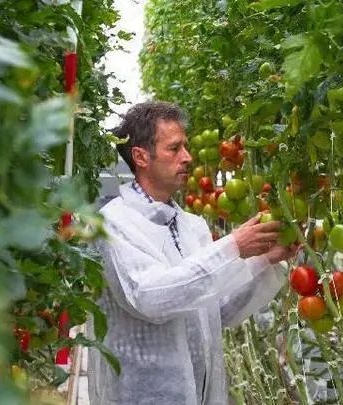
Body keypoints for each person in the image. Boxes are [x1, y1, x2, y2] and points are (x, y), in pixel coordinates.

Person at [87, 101, 296, 405]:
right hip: (140, 396)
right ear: (141, 156)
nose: (187, 157)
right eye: (174, 149)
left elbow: (214, 309)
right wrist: (232, 247)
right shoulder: (113, 223)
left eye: (185, 146)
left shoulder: (192, 226)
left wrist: (266, 259)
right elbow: (150, 298)